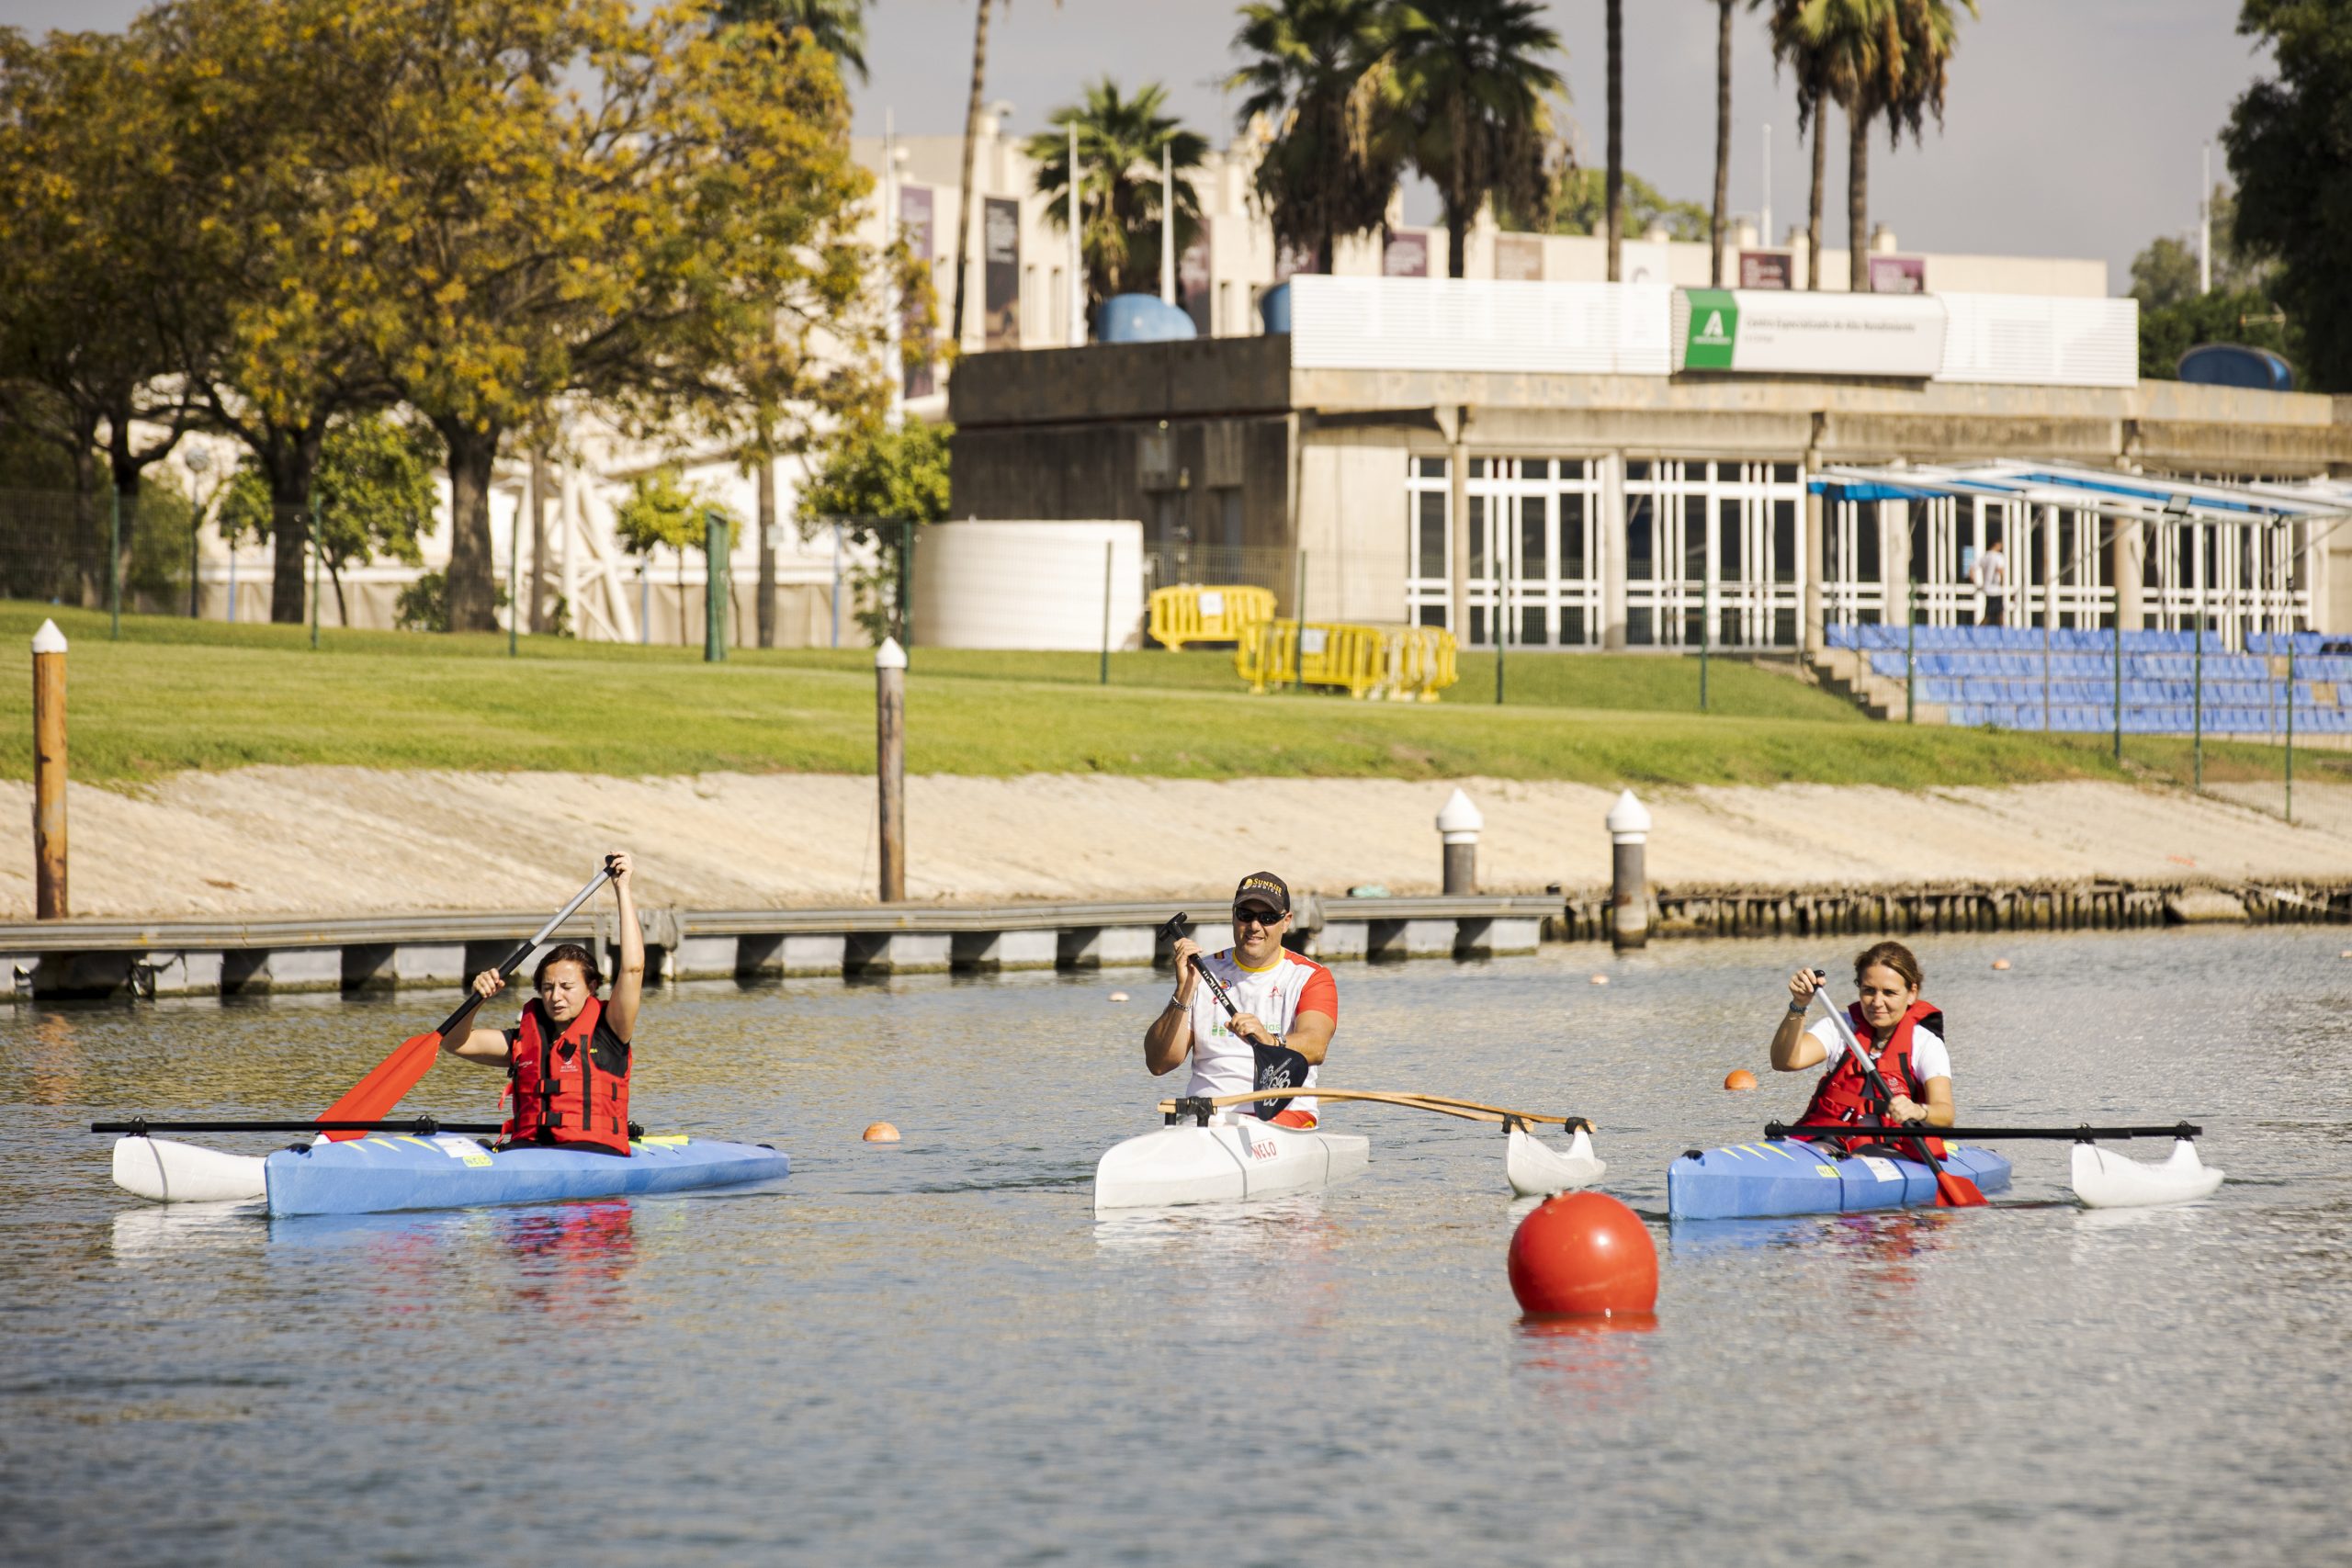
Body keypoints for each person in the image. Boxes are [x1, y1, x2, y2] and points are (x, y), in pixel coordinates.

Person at [443, 852, 645, 1154]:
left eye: (566, 987)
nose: (555, 996)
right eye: (547, 988)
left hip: (594, 1154)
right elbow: (455, 1043)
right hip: (527, 1153)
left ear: (591, 987)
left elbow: (632, 969)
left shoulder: (611, 1030)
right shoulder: (525, 1039)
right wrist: (478, 1000)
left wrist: (622, 889)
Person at [1145, 872, 1336, 1128]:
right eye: (1245, 915)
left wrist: (1270, 1040)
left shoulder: (1311, 977)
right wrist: (1183, 990)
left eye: (1267, 918)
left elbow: (1316, 1046)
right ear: (1233, 915)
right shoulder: (1200, 972)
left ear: (1286, 921)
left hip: (1281, 1115)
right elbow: (1159, 1064)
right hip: (1205, 1117)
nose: (1255, 926)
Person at [1769, 940, 1954, 1156]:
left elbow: (1945, 1113)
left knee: (1862, 1152)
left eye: (1889, 993)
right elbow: (1785, 1061)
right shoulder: (1840, 1028)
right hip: (1829, 1142)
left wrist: (1919, 1110)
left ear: (1912, 993)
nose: (1877, 1002)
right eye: (1869, 990)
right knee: (1824, 1148)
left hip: (1891, 1149)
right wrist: (1799, 1004)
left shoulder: (1926, 1043)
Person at [1969, 533, 2008, 627]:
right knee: (1997, 614)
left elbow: (1972, 569)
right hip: (1996, 590)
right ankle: (2003, 634)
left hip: (1987, 589)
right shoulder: (1999, 557)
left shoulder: (1985, 557)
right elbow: (2000, 571)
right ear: (1996, 544)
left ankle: (2000, 632)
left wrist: (1975, 583)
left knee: (1992, 614)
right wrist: (2003, 584)